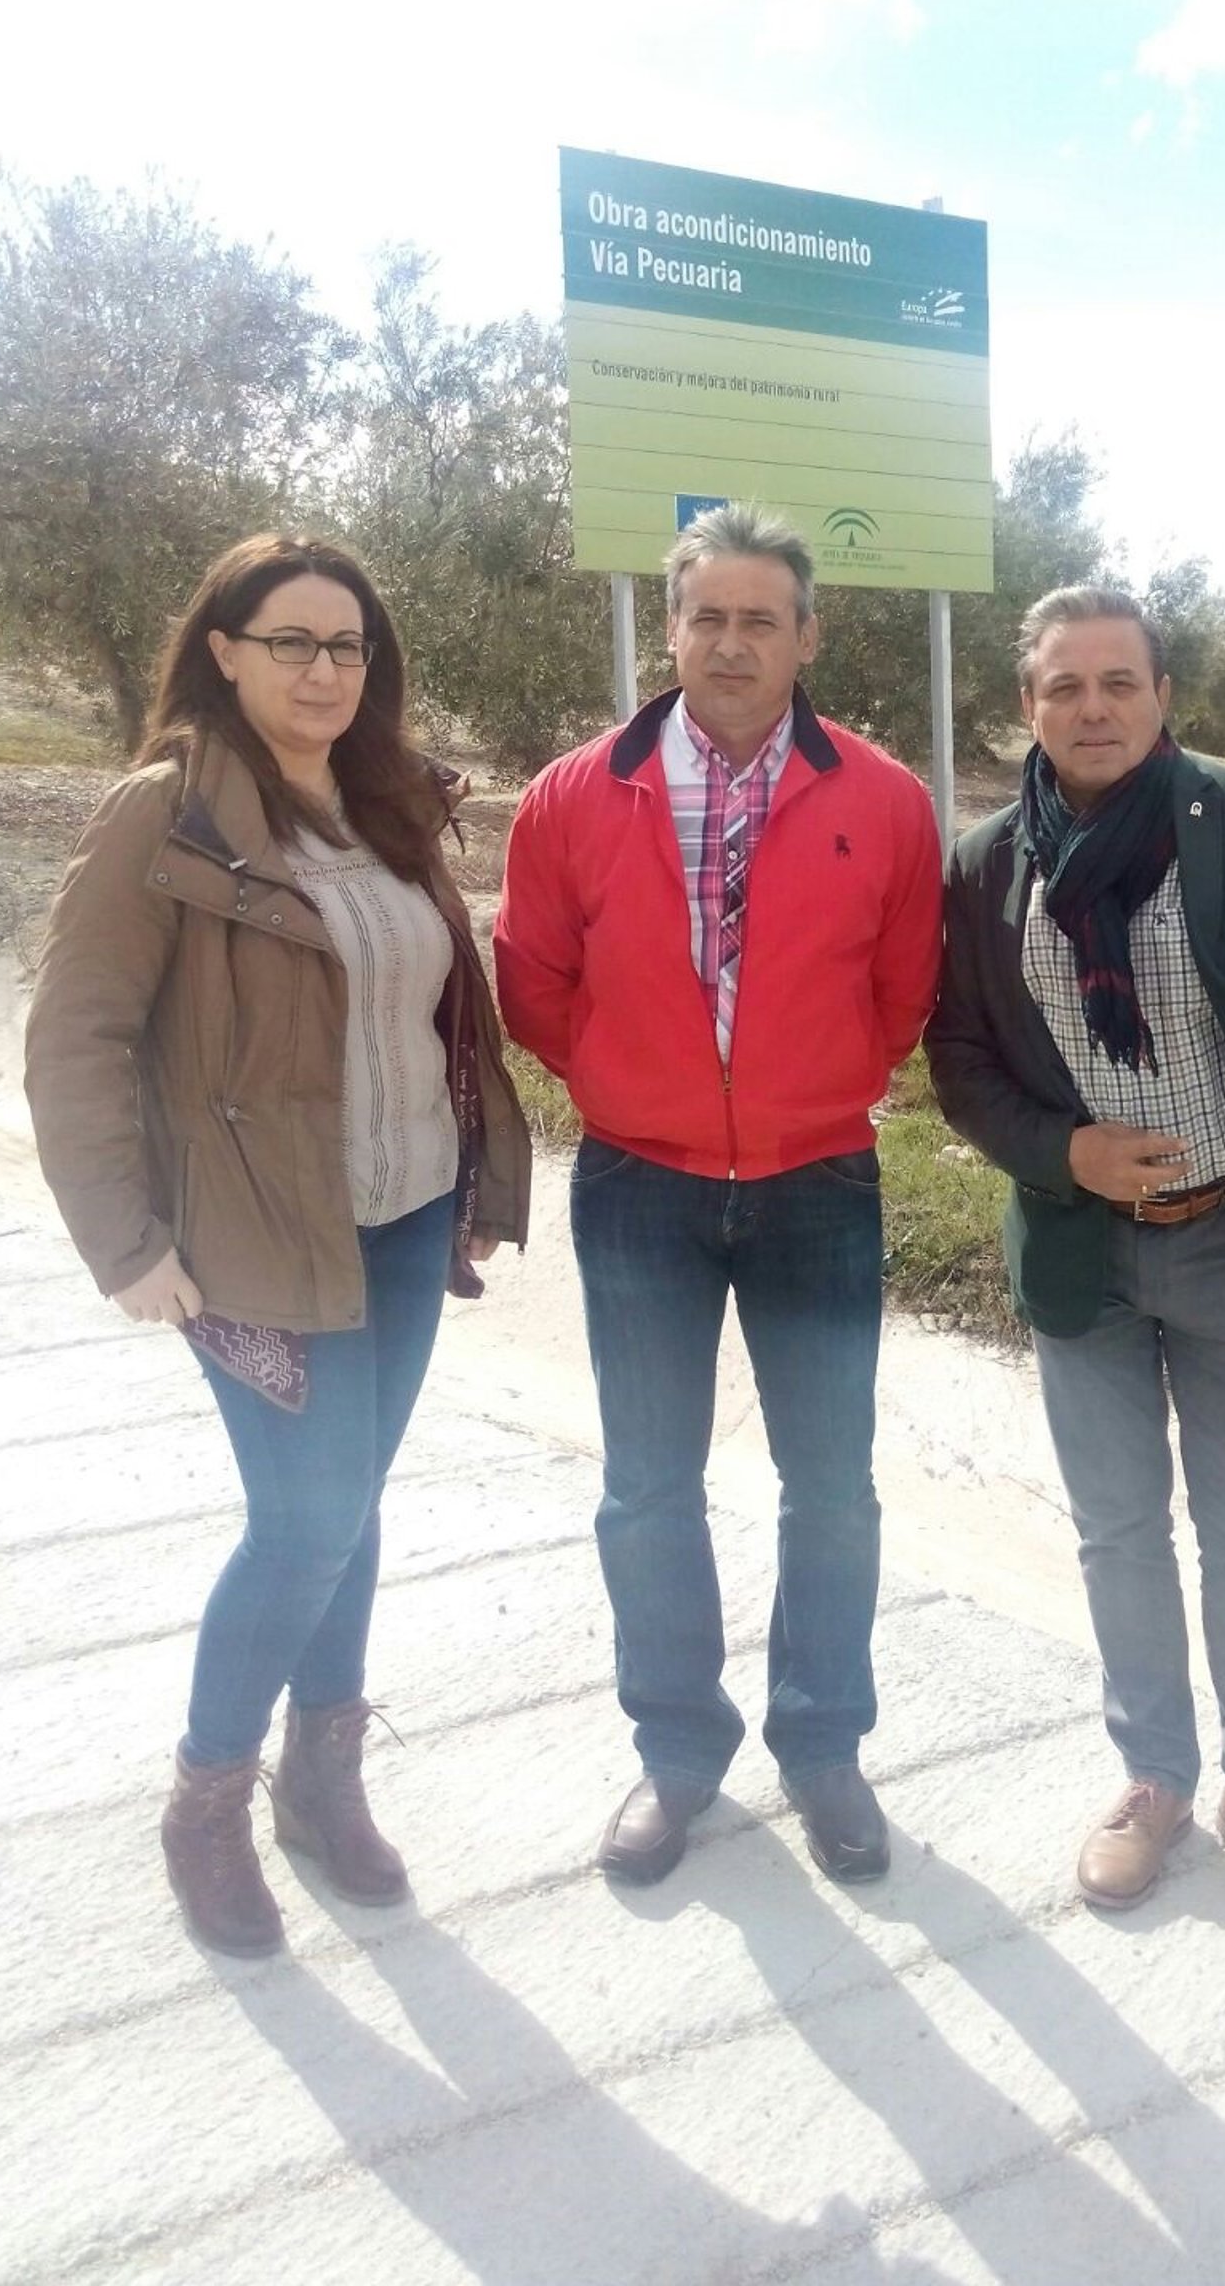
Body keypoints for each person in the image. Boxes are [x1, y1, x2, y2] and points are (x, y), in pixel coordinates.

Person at [25, 535, 531, 1959]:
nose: (324, 671)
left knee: (349, 1508)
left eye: (347, 645)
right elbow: (74, 1039)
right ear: (224, 651)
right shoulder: (167, 811)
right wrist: (126, 1244)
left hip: (404, 1214)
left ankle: (323, 1778)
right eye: (291, 641)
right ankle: (207, 1800)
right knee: (305, 1521)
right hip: (255, 1236)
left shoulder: (385, 805)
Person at [926, 586, 1225, 1920]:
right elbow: (959, 1056)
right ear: (1028, 704)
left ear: (1162, 696)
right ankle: (1154, 1778)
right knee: (1118, 1532)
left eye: (1118, 683)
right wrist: (1061, 1152)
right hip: (1079, 1251)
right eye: (1064, 686)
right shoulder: (984, 864)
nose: (1093, 709)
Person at [494, 501, 941, 1887]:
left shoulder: (886, 798)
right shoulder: (574, 794)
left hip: (819, 1183)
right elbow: (533, 981)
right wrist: (632, 1083)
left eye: (761, 620)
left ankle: (824, 1745)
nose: (732, 644)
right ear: (672, 631)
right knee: (646, 1486)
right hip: (641, 1185)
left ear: (808, 638)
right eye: (708, 618)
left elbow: (904, 990)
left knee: (834, 1489)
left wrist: (808, 1088)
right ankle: (678, 1751)